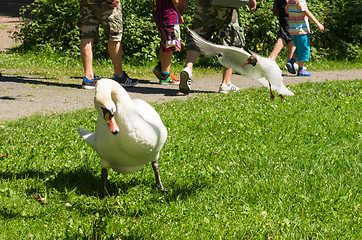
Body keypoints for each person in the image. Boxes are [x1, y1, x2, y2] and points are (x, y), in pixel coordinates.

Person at [179, 0, 257, 94]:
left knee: (198, 35)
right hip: (225, 3)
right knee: (230, 39)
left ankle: (188, 68)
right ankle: (225, 84)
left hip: (203, 2)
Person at [79, 0, 138, 89]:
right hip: (106, 3)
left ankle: (89, 78)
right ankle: (119, 76)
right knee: (114, 36)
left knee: (87, 35)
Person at [285, 0, 324, 76]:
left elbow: (286, 11)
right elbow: (306, 12)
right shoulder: (300, 1)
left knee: (299, 48)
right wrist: (318, 23)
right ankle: (301, 70)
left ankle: (291, 62)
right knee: (303, 49)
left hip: (293, 30)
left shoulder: (290, 1)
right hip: (302, 30)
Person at [152, 0, 188, 84]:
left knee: (166, 43)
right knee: (170, 45)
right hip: (169, 15)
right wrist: (179, 13)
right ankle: (165, 75)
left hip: (160, 12)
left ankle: (161, 68)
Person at [269, 0, 296, 64]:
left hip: (289, 3)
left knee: (293, 32)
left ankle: (290, 62)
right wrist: (288, 2)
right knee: (285, 32)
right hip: (286, 4)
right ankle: (271, 59)